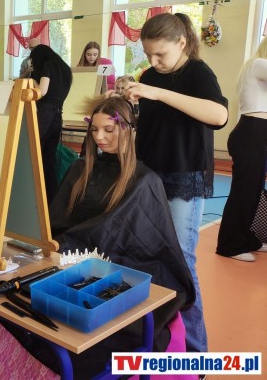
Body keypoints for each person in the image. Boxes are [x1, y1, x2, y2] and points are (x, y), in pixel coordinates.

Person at [40, 96, 196, 377]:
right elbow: (57, 220)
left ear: (128, 130)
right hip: (72, 259)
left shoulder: (145, 181)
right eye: (94, 130)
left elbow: (133, 238)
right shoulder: (80, 169)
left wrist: (71, 246)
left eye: (108, 130)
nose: (99, 137)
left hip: (123, 266)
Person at [125, 12, 228, 354]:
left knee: (182, 261)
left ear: (182, 43)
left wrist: (157, 92)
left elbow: (219, 115)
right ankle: (158, 338)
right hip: (149, 174)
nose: (154, 62)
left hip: (184, 175)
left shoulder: (197, 72)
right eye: (148, 55)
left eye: (160, 54)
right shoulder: (151, 75)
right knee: (146, 254)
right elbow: (151, 125)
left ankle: (196, 351)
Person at [216, 37, 267, 261]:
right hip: (251, 134)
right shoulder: (258, 64)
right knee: (244, 192)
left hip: (258, 135)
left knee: (254, 191)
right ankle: (229, 245)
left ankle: (246, 238)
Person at [29, 44, 73, 203]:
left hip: (45, 115)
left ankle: (35, 199)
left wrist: (31, 81)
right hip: (57, 117)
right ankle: (51, 201)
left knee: (33, 154)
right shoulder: (65, 69)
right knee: (49, 160)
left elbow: (42, 91)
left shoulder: (48, 65)